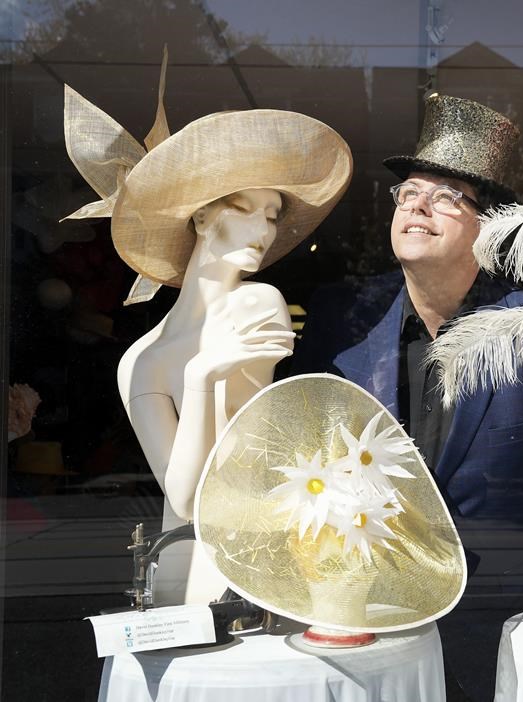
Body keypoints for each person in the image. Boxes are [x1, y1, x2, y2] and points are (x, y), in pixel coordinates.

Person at [305, 94, 523, 700]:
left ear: (489, 225)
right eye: (408, 192)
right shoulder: (342, 322)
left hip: (507, 615)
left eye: (449, 196)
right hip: (366, 616)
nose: (420, 206)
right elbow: (298, 459)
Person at [64, 88, 352, 604]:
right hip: (180, 563)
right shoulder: (140, 359)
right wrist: (202, 379)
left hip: (251, 554)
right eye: (248, 208)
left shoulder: (259, 304)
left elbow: (243, 463)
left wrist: (203, 381)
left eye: (273, 214)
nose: (264, 228)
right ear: (201, 217)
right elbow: (184, 496)